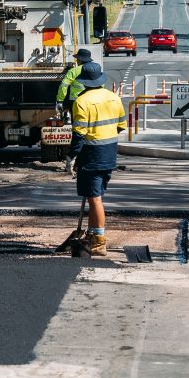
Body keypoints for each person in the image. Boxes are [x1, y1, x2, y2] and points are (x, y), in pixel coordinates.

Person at [67, 61, 126, 258]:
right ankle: (92, 233)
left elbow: (79, 135)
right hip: (109, 153)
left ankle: (99, 241)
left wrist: (71, 156)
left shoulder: (81, 102)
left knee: (94, 198)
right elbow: (120, 126)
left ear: (83, 82)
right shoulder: (113, 97)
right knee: (96, 196)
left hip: (91, 154)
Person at [55, 47, 95, 112]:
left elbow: (63, 86)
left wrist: (60, 100)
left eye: (77, 59)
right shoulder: (95, 70)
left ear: (80, 60)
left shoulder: (73, 71)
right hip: (92, 101)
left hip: (76, 102)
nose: (76, 61)